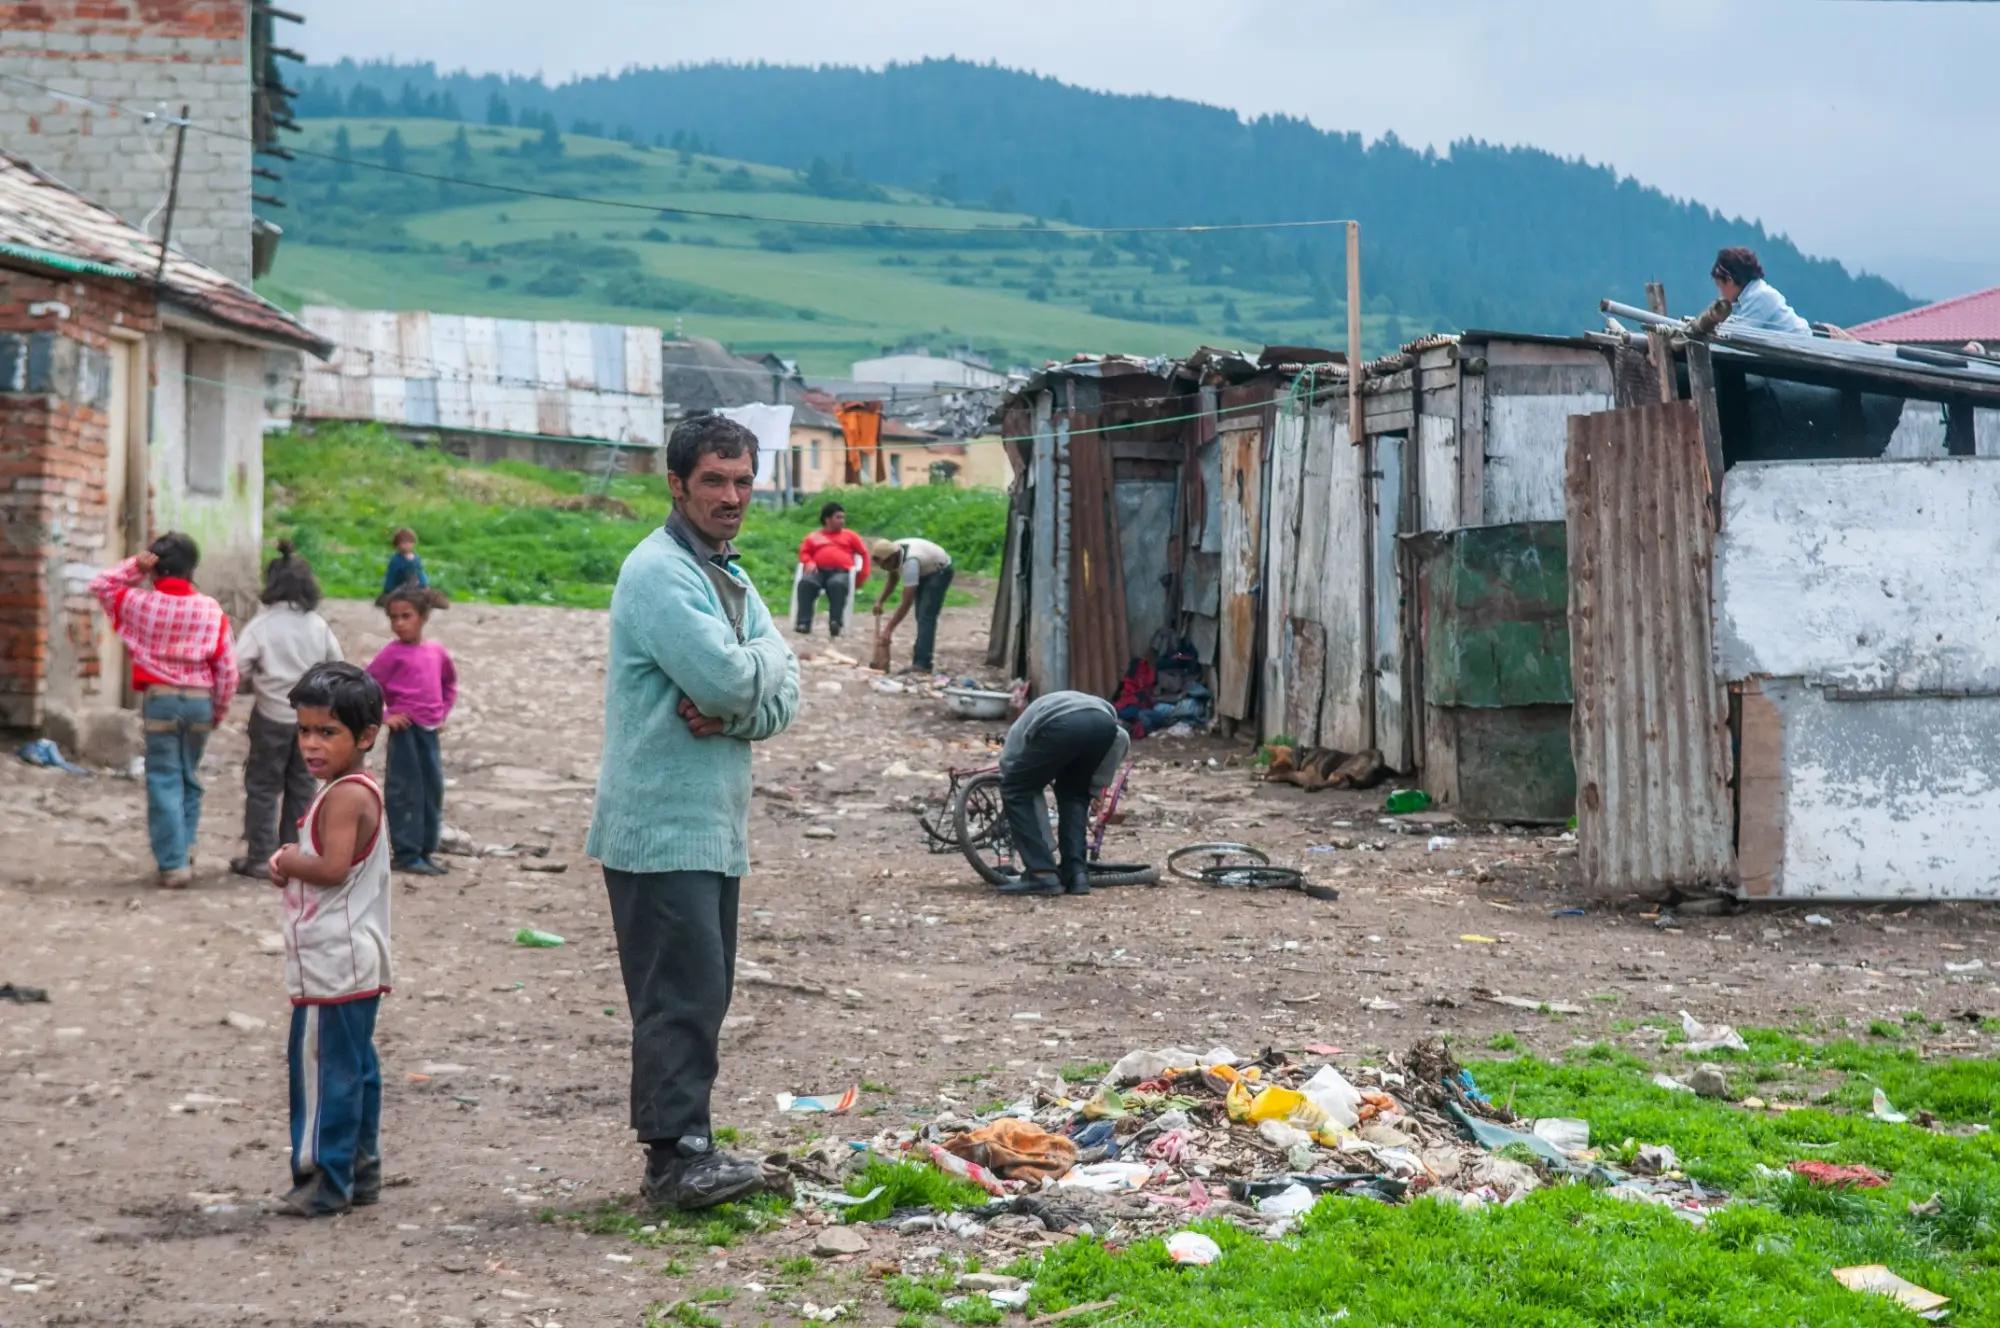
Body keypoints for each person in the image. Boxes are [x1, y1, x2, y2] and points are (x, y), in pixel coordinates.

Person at [587, 415, 799, 1212]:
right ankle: (673, 1162)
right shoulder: (659, 574)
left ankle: (690, 1146)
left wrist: (750, 692)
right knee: (679, 993)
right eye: (714, 480)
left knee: (704, 990)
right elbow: (730, 677)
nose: (732, 496)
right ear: (676, 485)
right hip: (657, 826)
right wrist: (759, 671)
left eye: (743, 481)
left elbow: (777, 695)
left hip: (710, 826)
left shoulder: (725, 572)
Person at [268, 661, 390, 1218]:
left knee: (324, 1073)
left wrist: (289, 859)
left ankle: (324, 1178)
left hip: (332, 963)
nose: (311, 744)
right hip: (353, 959)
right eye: (304, 730)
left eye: (327, 732)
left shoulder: (344, 796)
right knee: (355, 1069)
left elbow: (334, 866)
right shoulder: (351, 789)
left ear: (365, 737)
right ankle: (359, 1169)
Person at [89, 533, 238, 889]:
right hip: (200, 700)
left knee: (164, 778)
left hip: (161, 699)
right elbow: (228, 670)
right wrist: (217, 712)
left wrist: (133, 568)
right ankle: (184, 848)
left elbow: (100, 585)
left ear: (154, 566)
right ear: (192, 567)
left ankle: (172, 864)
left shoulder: (140, 603)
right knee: (189, 777)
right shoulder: (210, 609)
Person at [231, 541, 344, 878]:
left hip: (270, 716)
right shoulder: (317, 625)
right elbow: (336, 664)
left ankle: (260, 857)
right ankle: (294, 854)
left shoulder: (262, 625)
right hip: (310, 721)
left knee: (263, 787)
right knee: (302, 786)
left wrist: (253, 684)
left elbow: (239, 666)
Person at [995, 690, 1130, 898]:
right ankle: (1076, 874)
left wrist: (1046, 842)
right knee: (1074, 793)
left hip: (1063, 726)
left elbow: (1010, 767)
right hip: (1105, 725)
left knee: (1016, 789)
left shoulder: (1020, 726)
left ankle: (1041, 873)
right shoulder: (1088, 704)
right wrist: (1097, 789)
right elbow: (1121, 738)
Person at [364, 585, 456, 876]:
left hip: (429, 732)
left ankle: (427, 849)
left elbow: (449, 684)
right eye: (394, 617)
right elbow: (367, 687)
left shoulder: (436, 651)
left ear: (424, 616)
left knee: (432, 789)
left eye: (407, 616)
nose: (399, 623)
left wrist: (442, 711)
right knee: (405, 791)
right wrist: (386, 715)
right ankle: (406, 852)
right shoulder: (391, 655)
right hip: (405, 733)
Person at [869, 536, 954, 673]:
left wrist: (889, 629)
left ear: (891, 558)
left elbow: (907, 601)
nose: (884, 569)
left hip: (939, 572)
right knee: (921, 615)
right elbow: (893, 577)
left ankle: (922, 663)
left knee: (926, 616)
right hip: (925, 568)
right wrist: (880, 600)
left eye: (885, 565)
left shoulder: (910, 563)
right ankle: (920, 658)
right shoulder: (893, 550)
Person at [794, 501, 871, 638]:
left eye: (843, 517)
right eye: (838, 517)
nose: (842, 521)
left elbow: (864, 554)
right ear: (827, 519)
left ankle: (835, 622)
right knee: (806, 583)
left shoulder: (850, 536)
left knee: (836, 585)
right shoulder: (814, 537)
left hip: (841, 573)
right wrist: (808, 561)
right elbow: (804, 552)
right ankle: (803, 623)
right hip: (818, 572)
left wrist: (862, 576)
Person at [1712, 247, 1811, 335]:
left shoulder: (1761, 295)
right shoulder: (1741, 301)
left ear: (1730, 280)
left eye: (1719, 285)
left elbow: (1739, 333)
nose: (1720, 293)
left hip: (1803, 348)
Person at [381, 527, 428, 601]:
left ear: (413, 543)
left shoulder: (416, 558)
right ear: (397, 545)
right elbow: (391, 575)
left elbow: (420, 572)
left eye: (409, 542)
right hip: (400, 587)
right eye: (403, 543)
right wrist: (388, 589)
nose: (406, 545)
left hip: (415, 586)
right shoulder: (396, 560)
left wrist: (424, 584)